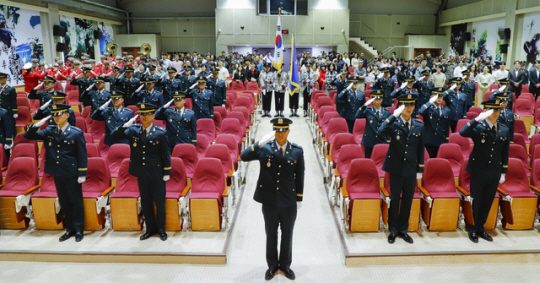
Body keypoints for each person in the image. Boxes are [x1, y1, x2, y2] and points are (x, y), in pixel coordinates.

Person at [240, 118, 304, 281]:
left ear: (288, 131)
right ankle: (272, 266)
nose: (280, 133)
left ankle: (285, 265)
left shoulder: (297, 150)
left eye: (283, 130)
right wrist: (257, 144)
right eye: (277, 130)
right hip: (270, 200)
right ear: (274, 131)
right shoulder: (265, 148)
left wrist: (299, 197)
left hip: (289, 201)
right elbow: (243, 156)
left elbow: (300, 176)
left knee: (287, 235)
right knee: (271, 234)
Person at [25, 104, 88, 242]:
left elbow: (82, 154)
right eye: (54, 115)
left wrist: (82, 173)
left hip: (72, 172)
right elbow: (28, 136)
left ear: (67, 115)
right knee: (64, 201)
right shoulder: (49, 130)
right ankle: (69, 229)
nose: (56, 117)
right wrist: (36, 125)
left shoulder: (76, 132)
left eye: (59, 114)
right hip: (57, 172)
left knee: (75, 202)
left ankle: (78, 230)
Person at [111, 103, 171, 241]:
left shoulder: (160, 133)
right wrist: (126, 125)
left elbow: (166, 154)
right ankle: (150, 229)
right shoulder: (133, 130)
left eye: (147, 114)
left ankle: (161, 229)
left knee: (160, 202)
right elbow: (115, 135)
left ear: (153, 116)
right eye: (142, 114)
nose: (144, 117)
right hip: (142, 172)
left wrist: (167, 172)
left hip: (157, 172)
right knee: (146, 202)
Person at [459, 99, 509, 243]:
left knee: (487, 201)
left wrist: (503, 171)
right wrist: (477, 119)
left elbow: (505, 152)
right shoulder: (478, 127)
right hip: (479, 170)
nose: (495, 113)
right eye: (492, 110)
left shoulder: (504, 129)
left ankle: (481, 227)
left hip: (494, 171)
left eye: (497, 110)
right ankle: (472, 228)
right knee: (477, 200)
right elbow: (463, 132)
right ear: (487, 111)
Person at [379, 93, 424, 244]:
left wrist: (420, 169)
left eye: (412, 105)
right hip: (396, 168)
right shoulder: (394, 124)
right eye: (406, 105)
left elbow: (420, 149)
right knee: (395, 199)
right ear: (401, 107)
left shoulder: (419, 125)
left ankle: (403, 230)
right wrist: (393, 116)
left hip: (411, 169)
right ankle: (393, 230)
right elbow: (381, 130)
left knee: (407, 201)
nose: (409, 108)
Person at [355, 90, 390, 158]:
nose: (378, 101)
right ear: (373, 100)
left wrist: (388, 140)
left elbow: (388, 127)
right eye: (376, 99)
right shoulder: (368, 110)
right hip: (370, 140)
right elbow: (357, 115)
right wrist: (364, 105)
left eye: (379, 99)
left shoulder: (386, 112)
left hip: (381, 140)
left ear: (382, 100)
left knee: (380, 160)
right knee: (368, 161)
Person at [419, 87, 450, 158]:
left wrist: (447, 139)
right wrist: (430, 102)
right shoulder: (428, 108)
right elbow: (420, 111)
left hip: (441, 140)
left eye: (441, 96)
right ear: (431, 97)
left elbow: (447, 126)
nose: (439, 98)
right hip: (429, 140)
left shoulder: (446, 109)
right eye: (436, 96)